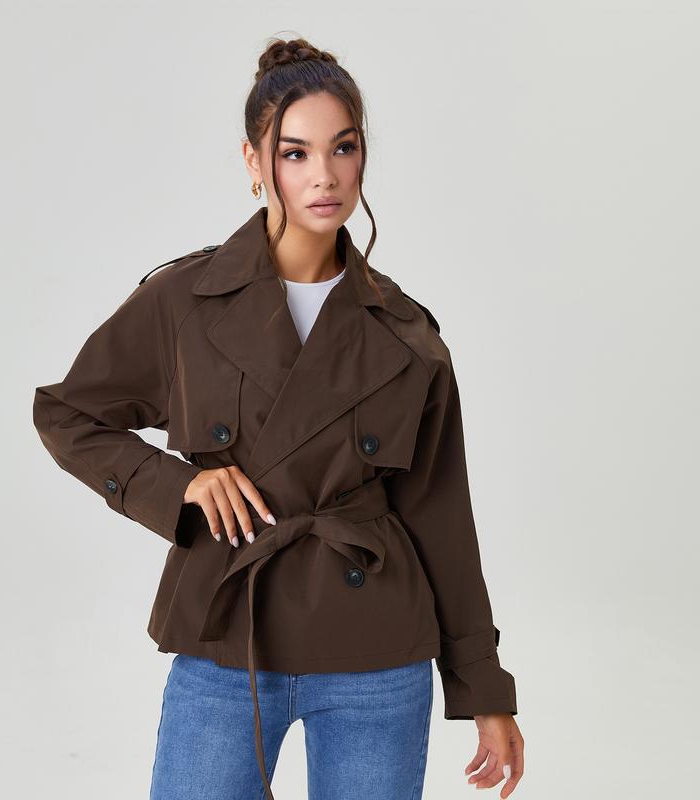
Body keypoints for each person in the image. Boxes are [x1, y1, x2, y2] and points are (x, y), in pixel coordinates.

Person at [32, 36, 525, 800]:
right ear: (254, 162)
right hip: (229, 633)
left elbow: (442, 518)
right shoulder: (184, 301)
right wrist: (180, 486)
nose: (324, 175)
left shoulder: (408, 335)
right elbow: (68, 413)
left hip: (376, 654)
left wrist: (485, 689)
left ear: (363, 158)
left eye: (343, 148)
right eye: (296, 153)